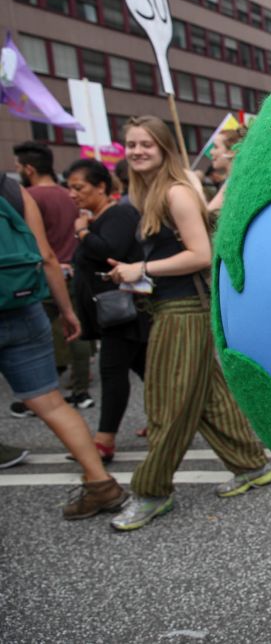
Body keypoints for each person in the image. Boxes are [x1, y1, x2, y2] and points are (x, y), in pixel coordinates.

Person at [107, 116, 271, 532]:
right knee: (205, 395)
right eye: (131, 144)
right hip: (172, 307)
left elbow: (201, 254)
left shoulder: (175, 192)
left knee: (169, 402)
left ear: (164, 148)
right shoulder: (152, 192)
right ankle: (251, 465)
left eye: (146, 144)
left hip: (184, 310)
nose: (137, 151)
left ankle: (151, 491)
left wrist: (140, 268)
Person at [0, 172, 127, 517]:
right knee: (53, 404)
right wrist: (67, 310)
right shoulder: (12, 189)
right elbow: (47, 257)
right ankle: (100, 482)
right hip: (23, 307)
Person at [66, 159, 149, 462]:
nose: (73, 194)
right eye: (70, 189)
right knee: (149, 370)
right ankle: (167, 420)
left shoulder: (120, 214)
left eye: (79, 188)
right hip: (113, 312)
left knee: (112, 372)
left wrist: (83, 234)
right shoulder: (96, 217)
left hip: (124, 310)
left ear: (101, 187)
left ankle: (104, 441)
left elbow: (109, 250)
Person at [11, 142, 94, 413]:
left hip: (45, 272)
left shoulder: (26, 196)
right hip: (75, 269)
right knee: (76, 329)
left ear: (29, 168)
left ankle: (45, 396)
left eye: (18, 167)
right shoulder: (68, 193)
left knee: (38, 336)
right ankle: (80, 389)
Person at [206, 125, 245, 215]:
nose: (211, 151)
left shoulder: (234, 181)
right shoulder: (233, 179)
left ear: (231, 152)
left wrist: (196, 186)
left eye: (216, 147)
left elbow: (208, 216)